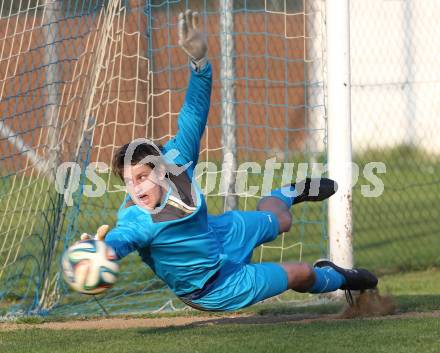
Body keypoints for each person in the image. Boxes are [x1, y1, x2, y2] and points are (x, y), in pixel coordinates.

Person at [82, 10, 378, 311]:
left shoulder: (176, 160)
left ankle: (286, 193)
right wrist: (102, 252)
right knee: (301, 272)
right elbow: (123, 238)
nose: (136, 188)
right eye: (129, 181)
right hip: (215, 284)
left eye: (142, 177)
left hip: (218, 233)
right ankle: (342, 277)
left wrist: (199, 65)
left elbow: (193, 114)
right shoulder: (137, 218)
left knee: (283, 220)